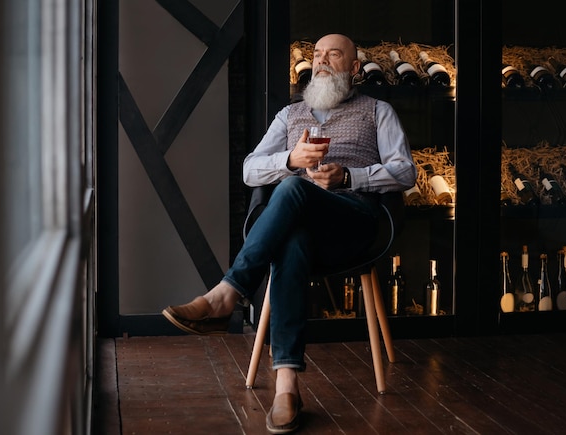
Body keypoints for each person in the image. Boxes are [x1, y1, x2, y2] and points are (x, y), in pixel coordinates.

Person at [162, 33, 416, 434]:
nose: (322, 61)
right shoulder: (288, 116)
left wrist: (351, 175)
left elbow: (406, 172)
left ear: (353, 68)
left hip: (353, 224)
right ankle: (287, 387)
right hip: (302, 230)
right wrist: (290, 158)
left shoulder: (376, 111)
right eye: (317, 55)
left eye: (333, 55)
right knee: (292, 237)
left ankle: (228, 292)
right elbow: (249, 170)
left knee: (294, 188)